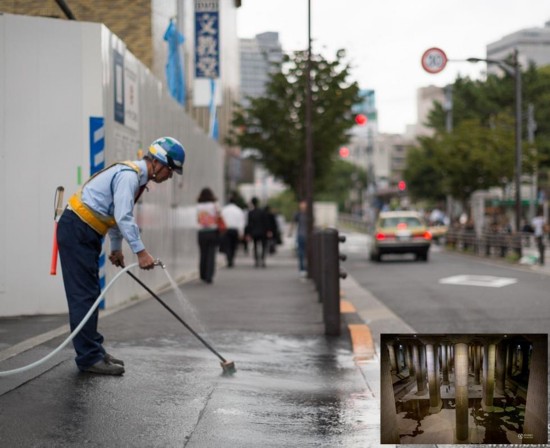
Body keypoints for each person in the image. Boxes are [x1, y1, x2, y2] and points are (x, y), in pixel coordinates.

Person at [57, 136, 185, 376]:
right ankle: (88, 358)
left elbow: (115, 215)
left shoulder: (135, 178)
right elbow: (124, 216)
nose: (170, 176)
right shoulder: (129, 176)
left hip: (86, 231)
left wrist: (116, 248)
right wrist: (141, 252)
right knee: (84, 295)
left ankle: (93, 349)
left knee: (91, 293)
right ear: (158, 163)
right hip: (78, 229)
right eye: (170, 170)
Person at [196, 187, 222, 283]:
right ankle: (209, 276)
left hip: (201, 232)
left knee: (203, 253)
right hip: (212, 231)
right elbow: (219, 216)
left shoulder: (198, 206)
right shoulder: (214, 205)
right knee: (211, 254)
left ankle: (202, 274)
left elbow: (197, 219)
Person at [221, 195, 246, 267]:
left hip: (226, 230)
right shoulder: (239, 210)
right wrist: (241, 233)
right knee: (234, 246)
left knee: (227, 245)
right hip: (235, 230)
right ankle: (231, 258)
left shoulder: (224, 210)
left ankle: (228, 259)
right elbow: (241, 222)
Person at [246, 197, 270, 267]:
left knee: (255, 246)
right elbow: (266, 222)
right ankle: (263, 260)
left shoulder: (250, 213)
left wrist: (248, 233)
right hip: (263, 232)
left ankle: (256, 260)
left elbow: (249, 224)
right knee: (263, 246)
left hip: (254, 232)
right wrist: (268, 231)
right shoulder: (262, 212)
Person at [288, 200, 308, 277]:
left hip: (308, 236)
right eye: (302, 205)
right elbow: (293, 223)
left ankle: (306, 268)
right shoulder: (298, 214)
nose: (303, 207)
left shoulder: (309, 214)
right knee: (301, 253)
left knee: (306, 253)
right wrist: (290, 232)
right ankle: (302, 268)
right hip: (300, 235)